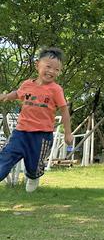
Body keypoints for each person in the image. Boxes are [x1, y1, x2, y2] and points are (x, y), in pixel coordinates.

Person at [0, 47, 72, 192]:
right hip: (20, 133)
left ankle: (33, 176)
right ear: (37, 64)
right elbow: (18, 93)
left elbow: (64, 110)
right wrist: (6, 96)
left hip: (41, 135)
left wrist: (67, 133)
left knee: (33, 165)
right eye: (48, 66)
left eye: (56, 70)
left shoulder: (56, 89)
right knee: (5, 157)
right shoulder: (27, 84)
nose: (51, 71)